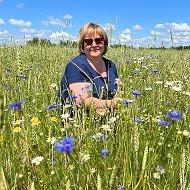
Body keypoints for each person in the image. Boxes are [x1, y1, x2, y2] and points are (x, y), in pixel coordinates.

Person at [57, 22, 120, 110]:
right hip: (80, 120)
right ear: (82, 44)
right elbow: (81, 101)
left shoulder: (110, 65)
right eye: (88, 41)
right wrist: (113, 104)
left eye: (98, 40)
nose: (94, 45)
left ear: (104, 43)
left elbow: (118, 91)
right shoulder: (76, 66)